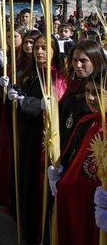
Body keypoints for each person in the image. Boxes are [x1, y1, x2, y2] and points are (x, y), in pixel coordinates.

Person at [7, 33, 66, 244]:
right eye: (37, 48)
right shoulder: (31, 73)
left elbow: (53, 107)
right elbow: (19, 93)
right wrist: (13, 92)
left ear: (53, 50)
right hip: (26, 137)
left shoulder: (57, 76)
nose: (39, 51)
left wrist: (29, 103)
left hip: (43, 141)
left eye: (44, 48)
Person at [52, 69, 104, 245]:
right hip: (79, 205)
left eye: (98, 92)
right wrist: (59, 174)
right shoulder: (88, 121)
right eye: (88, 91)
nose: (91, 97)